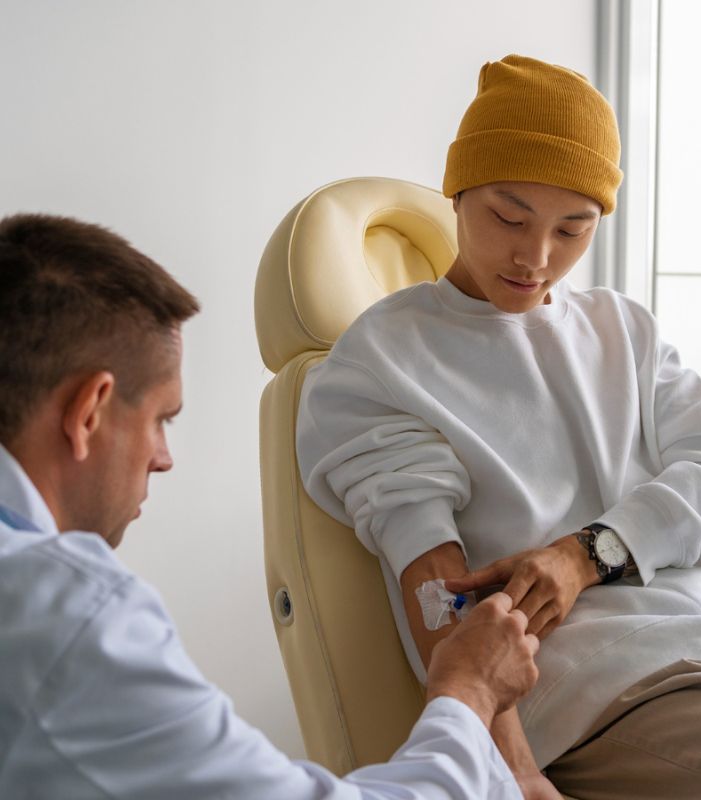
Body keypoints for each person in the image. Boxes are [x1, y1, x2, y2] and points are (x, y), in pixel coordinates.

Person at [296, 55, 701, 799]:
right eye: (509, 216)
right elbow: (440, 599)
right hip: (624, 691)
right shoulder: (380, 364)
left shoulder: (622, 329)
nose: (535, 257)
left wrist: (585, 554)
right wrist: (518, 774)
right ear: (458, 190)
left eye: (573, 228)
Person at [0, 212, 557, 800]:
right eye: (161, 420)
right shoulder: (63, 612)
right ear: (89, 412)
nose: (163, 458)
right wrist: (469, 692)